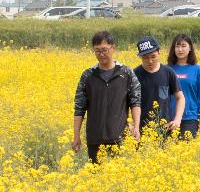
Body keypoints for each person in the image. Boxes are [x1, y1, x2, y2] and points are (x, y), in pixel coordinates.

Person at [72, 30, 141, 163]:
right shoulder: (88, 75)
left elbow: (135, 102)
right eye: (97, 51)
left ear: (113, 48)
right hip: (95, 137)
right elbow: (79, 108)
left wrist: (136, 127)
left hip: (119, 137)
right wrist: (76, 136)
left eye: (104, 50)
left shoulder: (126, 73)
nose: (101, 54)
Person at [133, 36, 184, 141]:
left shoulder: (168, 73)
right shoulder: (134, 75)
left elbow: (180, 98)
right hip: (141, 131)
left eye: (153, 56)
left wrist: (177, 119)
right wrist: (130, 124)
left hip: (165, 129)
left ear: (159, 53)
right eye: (145, 58)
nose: (150, 61)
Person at [166, 33, 200, 139]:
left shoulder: (197, 69)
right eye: (177, 46)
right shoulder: (167, 69)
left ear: (190, 48)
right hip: (169, 118)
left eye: (183, 46)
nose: (180, 49)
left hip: (190, 117)